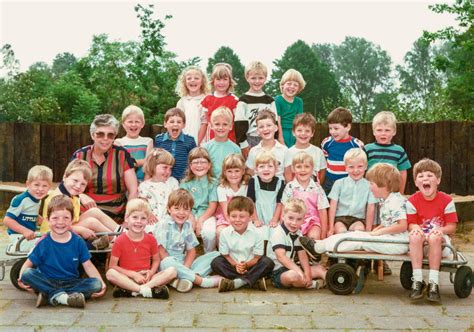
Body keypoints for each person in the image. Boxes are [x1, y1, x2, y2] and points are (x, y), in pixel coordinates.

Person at [300, 163, 408, 256]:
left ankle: (320, 248)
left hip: (397, 243)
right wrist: (377, 230)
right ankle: (319, 245)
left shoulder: (395, 201)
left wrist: (377, 233)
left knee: (358, 240)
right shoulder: (387, 200)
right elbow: (388, 223)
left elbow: (402, 225)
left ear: (383, 185)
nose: (369, 187)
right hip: (390, 239)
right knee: (355, 235)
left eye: (372, 184)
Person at [18, 195, 106, 308]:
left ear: (72, 219)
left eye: (65, 218)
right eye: (55, 218)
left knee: (95, 284)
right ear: (48, 219)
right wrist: (21, 278)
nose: (60, 222)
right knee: (27, 274)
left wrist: (101, 282)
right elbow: (28, 263)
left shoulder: (78, 242)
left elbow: (88, 266)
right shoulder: (43, 242)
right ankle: (64, 297)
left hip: (71, 282)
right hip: (46, 280)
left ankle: (50, 294)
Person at [406, 158, 458, 302]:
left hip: (440, 244)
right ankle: (417, 281)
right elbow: (410, 223)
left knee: (434, 237)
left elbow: (452, 226)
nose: (425, 179)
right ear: (416, 183)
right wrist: (415, 227)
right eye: (421, 176)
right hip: (420, 245)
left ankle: (433, 283)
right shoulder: (412, 201)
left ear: (438, 180)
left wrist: (440, 230)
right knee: (414, 236)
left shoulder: (446, 200)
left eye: (429, 175)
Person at [40, 159, 121, 250]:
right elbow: (57, 226)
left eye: (83, 184)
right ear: (65, 177)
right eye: (75, 180)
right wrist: (81, 230)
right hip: (53, 233)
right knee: (91, 222)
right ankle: (119, 241)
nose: (78, 186)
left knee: (94, 211)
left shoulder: (72, 195)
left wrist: (81, 195)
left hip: (68, 227)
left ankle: (122, 233)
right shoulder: (59, 200)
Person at [72, 114, 138, 222]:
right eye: (100, 134)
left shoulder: (122, 155)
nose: (105, 139)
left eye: (110, 135)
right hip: (86, 208)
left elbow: (133, 190)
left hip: (116, 211)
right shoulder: (80, 156)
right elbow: (67, 184)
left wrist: (128, 218)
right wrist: (81, 196)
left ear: (115, 136)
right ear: (92, 135)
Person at [106, 199, 176, 299]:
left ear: (147, 221)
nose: (139, 221)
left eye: (143, 218)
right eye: (135, 217)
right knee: (110, 274)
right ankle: (146, 290)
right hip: (127, 278)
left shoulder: (151, 239)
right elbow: (112, 266)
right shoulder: (120, 240)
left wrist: (151, 272)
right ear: (126, 218)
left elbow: (156, 260)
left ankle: (136, 290)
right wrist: (133, 274)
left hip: (146, 278)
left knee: (172, 271)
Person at [154, 189, 221, 293]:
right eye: (176, 208)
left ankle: (183, 279)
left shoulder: (187, 225)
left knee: (216, 254)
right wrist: (180, 269)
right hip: (167, 264)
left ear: (190, 211)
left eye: (186, 209)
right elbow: (160, 251)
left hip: (182, 262)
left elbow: (191, 251)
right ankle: (201, 281)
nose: (181, 213)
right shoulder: (164, 224)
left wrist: (186, 268)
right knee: (168, 262)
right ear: (169, 209)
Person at [211, 196, 275, 292]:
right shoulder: (225, 233)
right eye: (233, 216)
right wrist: (236, 265)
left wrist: (246, 265)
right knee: (216, 263)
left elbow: (257, 257)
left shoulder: (257, 233)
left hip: (252, 265)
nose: (237, 220)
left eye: (242, 216)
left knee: (268, 263)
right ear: (228, 216)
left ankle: (238, 283)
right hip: (233, 265)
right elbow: (226, 255)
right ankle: (252, 280)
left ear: (250, 217)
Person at [268, 198, 327, 289]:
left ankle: (336, 283)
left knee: (320, 269)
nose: (294, 223)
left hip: (293, 267)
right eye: (290, 218)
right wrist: (300, 272)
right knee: (294, 276)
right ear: (283, 216)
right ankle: (314, 284)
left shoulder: (298, 233)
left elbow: (302, 255)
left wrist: (307, 274)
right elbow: (281, 257)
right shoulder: (278, 232)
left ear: (304, 220)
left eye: (299, 219)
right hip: (278, 272)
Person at [234, 61, 283, 156]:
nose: (257, 81)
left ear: (265, 78)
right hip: (249, 139)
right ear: (247, 78)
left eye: (260, 78)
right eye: (253, 78)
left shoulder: (269, 100)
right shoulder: (244, 100)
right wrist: (243, 144)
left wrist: (275, 140)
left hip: (268, 138)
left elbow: (275, 122)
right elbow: (239, 124)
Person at [327, 148, 377, 236]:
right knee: (341, 232)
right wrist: (331, 227)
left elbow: (371, 207)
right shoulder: (339, 184)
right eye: (351, 167)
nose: (356, 170)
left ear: (366, 166)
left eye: (360, 166)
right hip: (340, 218)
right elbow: (333, 205)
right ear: (345, 167)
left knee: (359, 230)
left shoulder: (369, 186)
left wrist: (368, 229)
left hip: (357, 219)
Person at [4, 165, 52, 252]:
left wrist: (42, 220)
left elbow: (30, 213)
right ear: (28, 184)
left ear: (49, 187)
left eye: (44, 186)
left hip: (30, 234)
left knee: (52, 237)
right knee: (48, 245)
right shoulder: (21, 199)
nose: (40, 189)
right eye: (36, 185)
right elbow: (7, 220)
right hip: (18, 236)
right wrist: (25, 231)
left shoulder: (38, 199)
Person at [282, 152, 329, 240]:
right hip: (294, 221)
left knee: (314, 237)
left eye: (307, 167)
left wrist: (323, 232)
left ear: (312, 169)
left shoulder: (317, 188)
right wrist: (282, 227)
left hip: (312, 222)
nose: (303, 170)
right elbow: (284, 208)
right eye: (299, 167)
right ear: (293, 169)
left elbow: (322, 211)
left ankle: (312, 252)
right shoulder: (290, 186)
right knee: (293, 239)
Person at [180, 147, 218, 252]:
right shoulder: (185, 183)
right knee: (185, 228)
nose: (199, 165)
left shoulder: (213, 183)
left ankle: (208, 254)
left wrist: (201, 220)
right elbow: (183, 204)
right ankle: (183, 254)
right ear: (190, 165)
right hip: (188, 213)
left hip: (207, 214)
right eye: (195, 162)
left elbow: (212, 206)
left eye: (203, 162)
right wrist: (191, 218)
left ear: (209, 165)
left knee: (209, 233)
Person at [364, 111, 411, 194]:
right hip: (371, 192)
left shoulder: (399, 151)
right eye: (379, 130)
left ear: (394, 132)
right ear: (373, 132)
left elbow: (403, 173)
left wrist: (400, 193)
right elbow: (361, 170)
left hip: (391, 192)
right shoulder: (367, 149)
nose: (383, 133)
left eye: (387, 130)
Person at [321, 107, 363, 195]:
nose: (332, 132)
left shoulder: (356, 145)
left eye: (336, 128)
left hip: (348, 183)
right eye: (330, 128)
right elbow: (325, 159)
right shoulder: (327, 143)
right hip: (330, 182)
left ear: (347, 127)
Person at [247, 151, 285, 241]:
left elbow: (279, 203)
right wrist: (255, 219)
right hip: (257, 216)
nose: (266, 169)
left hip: (273, 216)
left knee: (276, 236)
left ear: (276, 169)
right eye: (261, 166)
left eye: (270, 166)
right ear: (256, 169)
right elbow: (250, 201)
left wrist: (275, 219)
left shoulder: (280, 182)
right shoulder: (253, 181)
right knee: (256, 235)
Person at [138, 148, 179, 230]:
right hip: (152, 220)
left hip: (170, 219)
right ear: (153, 166)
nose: (168, 171)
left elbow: (178, 200)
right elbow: (142, 204)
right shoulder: (145, 186)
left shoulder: (173, 182)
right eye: (165, 167)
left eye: (170, 168)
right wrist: (148, 213)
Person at [245, 109, 292, 181]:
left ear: (276, 128)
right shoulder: (253, 151)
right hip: (259, 190)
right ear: (257, 131)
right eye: (261, 127)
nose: (265, 129)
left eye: (269, 125)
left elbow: (288, 174)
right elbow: (250, 174)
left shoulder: (284, 150)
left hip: (279, 190)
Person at [199, 63, 239, 144]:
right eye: (218, 79)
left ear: (230, 81)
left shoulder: (234, 100)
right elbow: (205, 123)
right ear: (213, 81)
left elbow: (237, 124)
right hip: (211, 140)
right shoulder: (207, 99)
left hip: (230, 140)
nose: (221, 82)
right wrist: (198, 142)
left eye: (225, 79)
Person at [154, 108, 197, 181]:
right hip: (164, 178)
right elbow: (155, 160)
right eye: (172, 121)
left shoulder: (190, 140)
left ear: (184, 125)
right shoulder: (159, 139)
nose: (175, 124)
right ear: (165, 124)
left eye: (179, 122)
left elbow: (194, 160)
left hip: (183, 179)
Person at [115, 105, 153, 183]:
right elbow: (121, 164)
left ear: (142, 124)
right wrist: (142, 161)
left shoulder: (148, 141)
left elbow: (149, 164)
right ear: (123, 124)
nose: (133, 124)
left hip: (144, 181)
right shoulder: (118, 142)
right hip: (125, 182)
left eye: (137, 121)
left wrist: (145, 184)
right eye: (130, 121)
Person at [215, 154, 249, 241]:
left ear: (243, 171)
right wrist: (233, 224)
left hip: (243, 217)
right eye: (229, 171)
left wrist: (241, 222)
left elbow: (248, 207)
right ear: (224, 172)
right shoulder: (222, 188)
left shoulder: (246, 186)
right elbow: (226, 211)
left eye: (237, 171)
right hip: (227, 218)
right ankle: (222, 252)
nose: (233, 175)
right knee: (221, 231)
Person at [202, 106, 241, 179]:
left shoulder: (236, 149)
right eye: (217, 124)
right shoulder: (205, 148)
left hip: (229, 186)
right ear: (211, 126)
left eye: (225, 124)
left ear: (231, 126)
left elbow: (238, 170)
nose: (221, 127)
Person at [287, 113, 326, 183]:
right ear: (293, 132)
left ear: (312, 133)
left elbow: (322, 172)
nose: (303, 133)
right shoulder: (288, 152)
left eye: (307, 131)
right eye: (299, 130)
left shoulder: (318, 152)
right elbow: (287, 175)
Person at [176, 65, 210, 144]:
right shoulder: (182, 101)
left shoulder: (206, 99)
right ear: (184, 82)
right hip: (183, 140)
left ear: (202, 82)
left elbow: (204, 123)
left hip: (200, 141)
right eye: (189, 78)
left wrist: (196, 143)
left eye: (196, 78)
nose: (192, 80)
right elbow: (178, 123)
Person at [274, 69, 306, 147]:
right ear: (282, 85)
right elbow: (278, 121)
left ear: (299, 88)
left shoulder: (299, 101)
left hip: (295, 132)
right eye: (289, 83)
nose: (292, 87)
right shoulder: (277, 100)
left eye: (295, 85)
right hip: (282, 131)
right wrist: (280, 139)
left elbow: (299, 121)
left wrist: (299, 137)